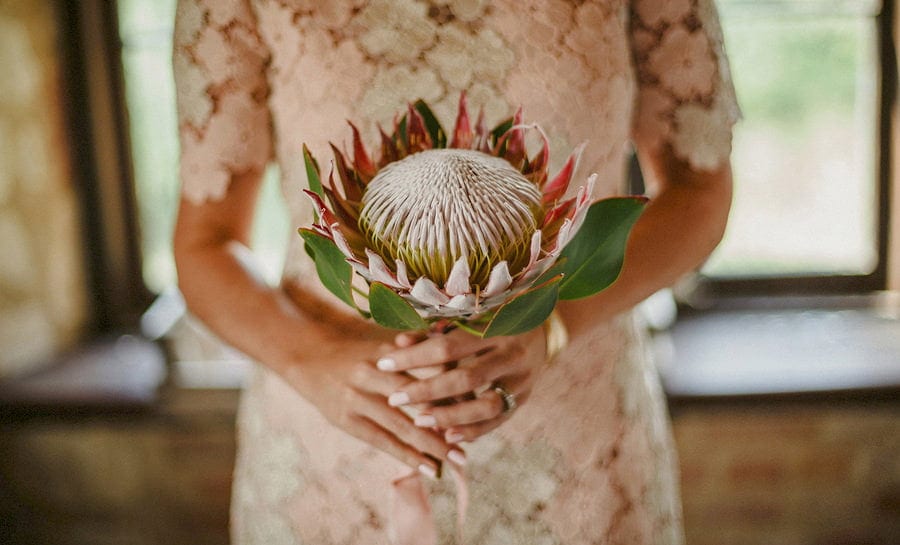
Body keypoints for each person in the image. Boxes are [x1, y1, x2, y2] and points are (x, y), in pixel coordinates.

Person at [172, 0, 738, 543]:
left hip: (574, 442)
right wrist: (310, 358)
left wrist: (557, 322)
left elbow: (699, 192)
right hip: (333, 439)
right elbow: (206, 243)